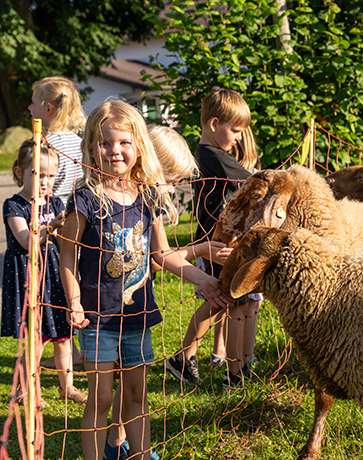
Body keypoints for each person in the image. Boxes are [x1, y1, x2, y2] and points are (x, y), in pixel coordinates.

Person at [59, 101, 232, 460]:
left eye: (123, 142)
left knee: (137, 395)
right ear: (91, 147)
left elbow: (162, 255)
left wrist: (203, 280)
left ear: (138, 146)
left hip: (139, 315)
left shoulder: (148, 196)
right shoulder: (85, 199)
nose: (114, 151)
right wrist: (74, 301)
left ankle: (140, 454)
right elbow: (68, 256)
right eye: (104, 143)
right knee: (102, 398)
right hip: (98, 318)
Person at [104, 124, 232, 460]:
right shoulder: (121, 198)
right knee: (122, 378)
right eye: (171, 179)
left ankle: (119, 442)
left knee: (133, 377)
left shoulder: (147, 200)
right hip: (109, 304)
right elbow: (159, 259)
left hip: (138, 300)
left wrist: (201, 271)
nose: (173, 187)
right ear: (150, 164)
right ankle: (115, 444)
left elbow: (159, 257)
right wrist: (200, 252)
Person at [166, 88, 262, 388]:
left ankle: (185, 358)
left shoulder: (217, 155)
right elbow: (253, 180)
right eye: (235, 130)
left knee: (226, 301)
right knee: (229, 301)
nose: (238, 137)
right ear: (213, 124)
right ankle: (234, 374)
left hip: (228, 240)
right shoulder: (211, 156)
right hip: (217, 244)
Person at [1, 139, 87, 405]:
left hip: (54, 276)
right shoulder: (14, 205)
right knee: (36, 340)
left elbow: (65, 246)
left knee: (63, 336)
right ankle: (25, 390)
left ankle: (68, 387)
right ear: (19, 172)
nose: (45, 181)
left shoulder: (56, 205)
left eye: (51, 175)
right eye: (38, 174)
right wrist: (51, 227)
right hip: (29, 280)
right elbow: (26, 240)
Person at [29, 75, 86, 368]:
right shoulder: (78, 141)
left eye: (34, 102)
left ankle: (60, 350)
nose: (29, 107)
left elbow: (38, 184)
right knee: (69, 283)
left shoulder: (44, 144)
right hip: (75, 219)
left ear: (48, 109)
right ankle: (71, 351)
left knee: (50, 287)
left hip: (50, 221)